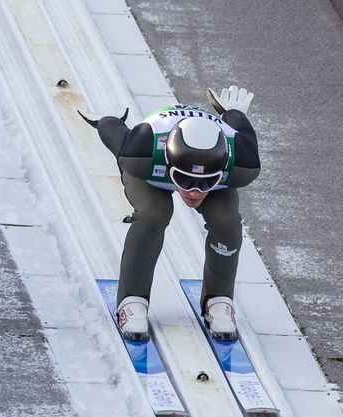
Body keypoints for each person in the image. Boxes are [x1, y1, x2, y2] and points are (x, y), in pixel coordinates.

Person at [79, 86, 261, 343]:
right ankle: (133, 299)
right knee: (155, 213)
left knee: (227, 220)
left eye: (205, 182)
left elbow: (242, 130)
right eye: (184, 180)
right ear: (170, 165)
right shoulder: (140, 149)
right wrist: (108, 120)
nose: (195, 192)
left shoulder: (244, 163)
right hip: (152, 172)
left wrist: (233, 113)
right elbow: (114, 134)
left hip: (198, 166)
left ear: (222, 170)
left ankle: (219, 299)